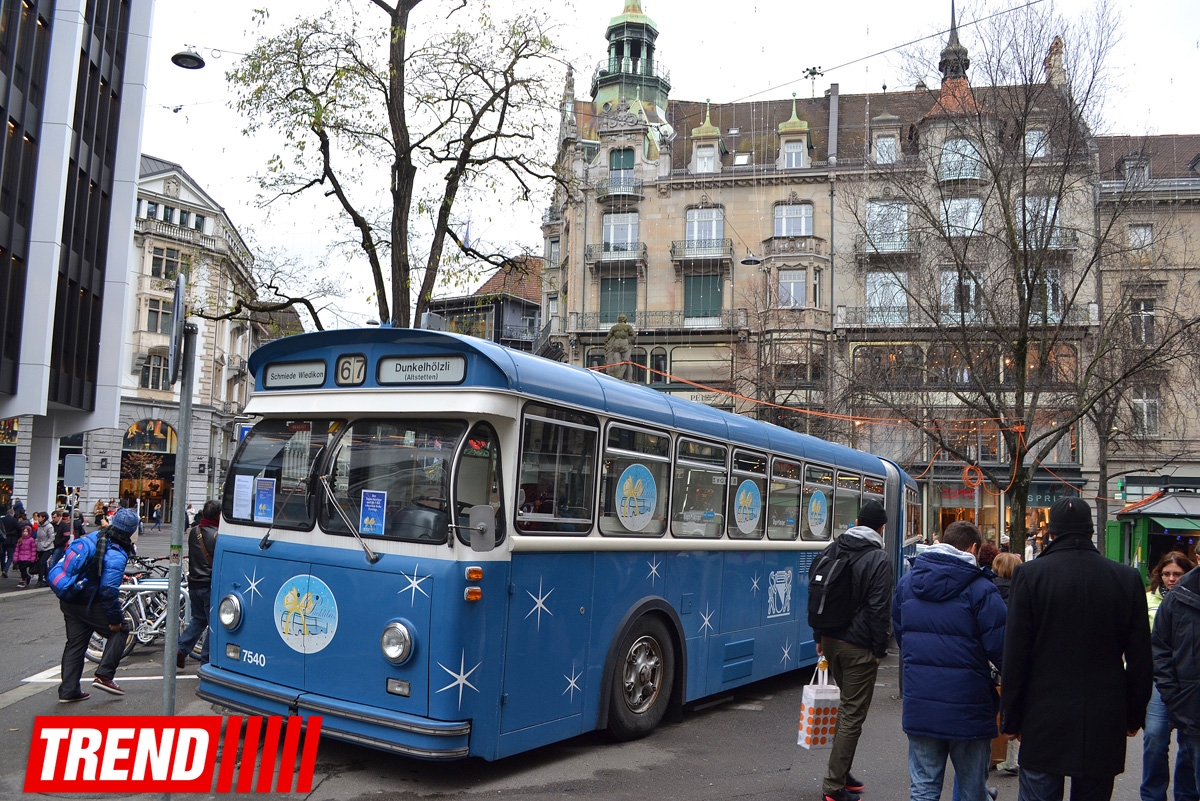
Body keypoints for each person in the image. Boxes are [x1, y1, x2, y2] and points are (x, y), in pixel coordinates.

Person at [1001, 497, 1152, 801]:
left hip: (1043, 715)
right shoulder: (1126, 579)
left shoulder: (1030, 575)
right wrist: (1134, 714)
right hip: (1104, 716)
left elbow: (1016, 653)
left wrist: (1011, 718)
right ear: (1091, 532)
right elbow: (1140, 658)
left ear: (1051, 533)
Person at [893, 520, 1007, 801]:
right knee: (971, 790)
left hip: (920, 702)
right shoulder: (981, 589)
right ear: (973, 548)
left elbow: (901, 634)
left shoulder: (908, 583)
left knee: (923, 790)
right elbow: (1002, 647)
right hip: (969, 706)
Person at [812, 499, 895, 801]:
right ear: (881, 528)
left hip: (830, 641)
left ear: (857, 523)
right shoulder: (879, 559)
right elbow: (879, 608)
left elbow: (817, 596)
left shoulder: (833, 548)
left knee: (846, 709)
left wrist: (819, 635)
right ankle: (834, 787)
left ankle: (842, 771)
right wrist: (880, 649)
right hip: (858, 647)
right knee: (852, 714)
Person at [58, 507, 138, 702]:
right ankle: (104, 676)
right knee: (121, 630)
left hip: (70, 598)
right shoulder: (117, 551)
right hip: (89, 601)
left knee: (75, 644)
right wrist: (115, 620)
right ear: (131, 531)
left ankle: (69, 691)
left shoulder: (95, 536)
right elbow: (109, 591)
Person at [1143, 551, 1197, 801]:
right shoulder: (1149, 599)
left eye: (1177, 574)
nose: (1171, 579)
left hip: (1189, 680)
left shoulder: (1191, 596)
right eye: (1167, 574)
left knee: (1189, 744)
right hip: (1160, 677)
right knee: (1154, 737)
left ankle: (1185, 794)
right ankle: (1153, 795)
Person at [991, 551, 1024, 776]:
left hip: (991, 656)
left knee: (991, 708)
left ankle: (991, 755)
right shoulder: (1022, 592)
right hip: (1012, 656)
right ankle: (1010, 759)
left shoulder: (988, 590)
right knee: (1013, 706)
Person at [177, 499, 220, 669]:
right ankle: (206, 661)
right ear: (218, 516)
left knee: (199, 619)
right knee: (214, 624)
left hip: (194, 583)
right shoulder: (217, 535)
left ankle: (181, 649)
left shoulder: (195, 531)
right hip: (209, 585)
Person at [13, 512, 37, 587]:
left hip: (28, 557)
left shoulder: (31, 540)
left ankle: (23, 579)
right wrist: (16, 557)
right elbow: (17, 549)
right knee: (21, 568)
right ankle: (25, 577)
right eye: (24, 531)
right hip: (21, 557)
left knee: (23, 568)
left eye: (26, 531)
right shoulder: (20, 540)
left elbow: (33, 549)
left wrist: (33, 558)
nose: (25, 533)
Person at [34, 511, 54, 587]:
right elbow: (37, 537)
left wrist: (45, 545)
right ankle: (47, 579)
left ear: (43, 518)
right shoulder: (39, 526)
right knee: (43, 564)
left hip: (47, 548)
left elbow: (51, 537)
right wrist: (36, 544)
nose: (38, 518)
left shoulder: (49, 526)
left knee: (41, 563)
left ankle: (40, 580)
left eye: (39, 517)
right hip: (39, 547)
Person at [0, 503, 18, 578]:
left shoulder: (2, 520)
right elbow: (17, 530)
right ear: (13, 514)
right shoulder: (14, 520)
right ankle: (5, 569)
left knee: (2, 555)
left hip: (2, 540)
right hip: (11, 540)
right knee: (10, 556)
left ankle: (3, 568)